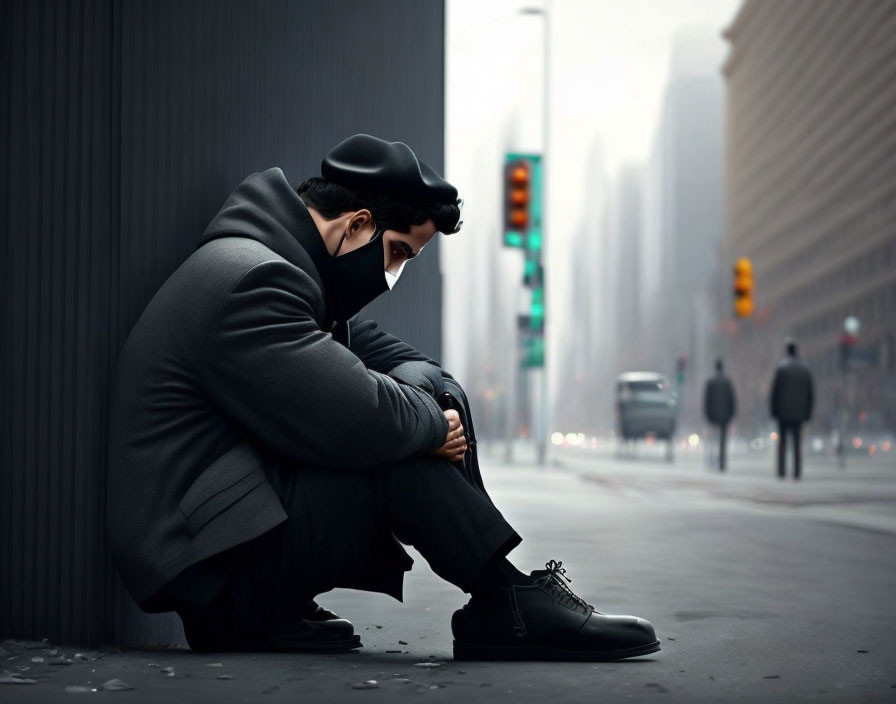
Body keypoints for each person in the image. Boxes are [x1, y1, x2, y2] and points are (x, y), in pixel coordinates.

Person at [107, 134, 659, 661]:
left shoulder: (293, 280)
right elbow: (362, 415)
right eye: (395, 253)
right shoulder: (253, 283)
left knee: (409, 424)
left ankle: (495, 597)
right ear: (357, 226)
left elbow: (417, 368)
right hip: (206, 569)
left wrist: (431, 403)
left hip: (222, 535)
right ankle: (506, 600)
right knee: (397, 455)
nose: (391, 275)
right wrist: (433, 425)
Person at [770, 340, 814, 480]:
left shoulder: (781, 368)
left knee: (782, 443)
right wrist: (808, 412)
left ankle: (781, 471)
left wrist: (774, 411)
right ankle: (797, 472)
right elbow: (810, 394)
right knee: (797, 443)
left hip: (783, 413)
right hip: (799, 413)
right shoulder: (805, 369)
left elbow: (774, 393)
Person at [703, 359, 736, 471]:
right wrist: (731, 414)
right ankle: (722, 462)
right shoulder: (727, 382)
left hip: (713, 415)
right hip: (725, 415)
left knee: (712, 439)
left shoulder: (710, 382)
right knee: (722, 440)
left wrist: (707, 414)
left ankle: (712, 461)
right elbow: (732, 400)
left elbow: (707, 400)